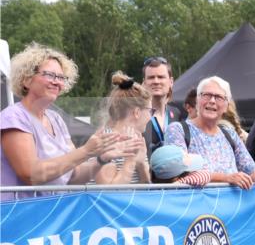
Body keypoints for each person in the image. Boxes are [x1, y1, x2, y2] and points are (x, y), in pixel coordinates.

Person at [1, 43, 122, 199]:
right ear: (26, 80)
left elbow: (73, 177)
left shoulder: (56, 119)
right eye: (50, 75)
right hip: (20, 216)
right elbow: (30, 174)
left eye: (61, 77)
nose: (57, 82)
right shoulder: (14, 117)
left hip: (53, 215)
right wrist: (85, 151)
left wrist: (100, 158)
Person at [167, 76, 255, 190]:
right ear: (197, 101)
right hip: (195, 205)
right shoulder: (178, 130)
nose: (212, 101)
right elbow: (181, 172)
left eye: (219, 97)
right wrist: (226, 178)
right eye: (206, 95)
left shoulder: (230, 134)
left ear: (226, 106)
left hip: (232, 206)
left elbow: (251, 169)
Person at [95, 72, 153, 185]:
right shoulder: (105, 139)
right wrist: (131, 158)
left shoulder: (138, 139)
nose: (151, 116)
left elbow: (146, 185)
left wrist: (141, 164)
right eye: (150, 111)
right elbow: (108, 194)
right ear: (137, 112)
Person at [141, 56, 183, 155]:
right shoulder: (135, 115)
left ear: (171, 82)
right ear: (144, 83)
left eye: (161, 77)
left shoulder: (176, 114)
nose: (156, 81)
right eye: (151, 78)